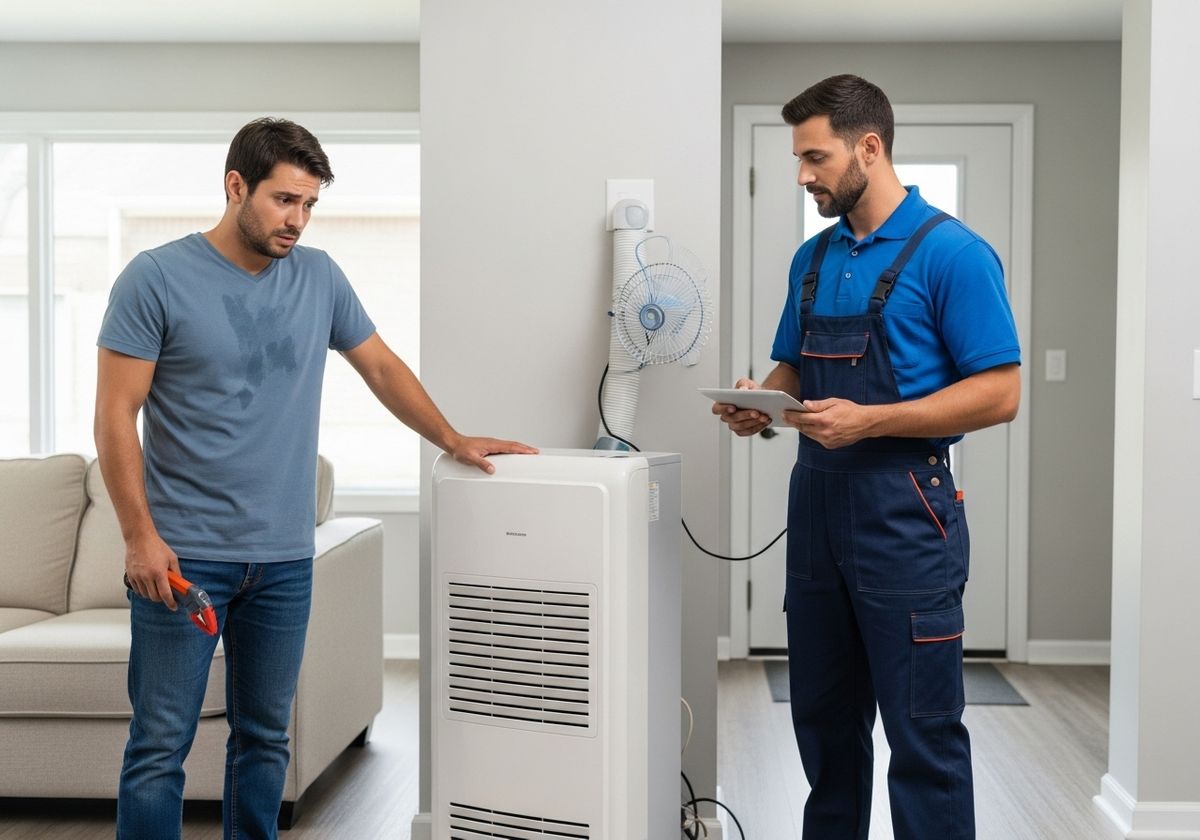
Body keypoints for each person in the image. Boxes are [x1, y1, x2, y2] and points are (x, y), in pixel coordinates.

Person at [94, 117, 537, 840]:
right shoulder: (156, 278)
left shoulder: (320, 276)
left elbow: (382, 368)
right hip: (182, 558)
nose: (297, 220)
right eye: (283, 200)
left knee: (265, 741)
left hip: (283, 557)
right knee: (159, 747)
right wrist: (139, 538)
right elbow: (115, 416)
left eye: (309, 205)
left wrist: (451, 437)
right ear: (235, 187)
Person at [713, 75, 1020, 840]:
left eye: (815, 157)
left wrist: (873, 421)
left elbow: (1001, 393)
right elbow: (792, 369)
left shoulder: (953, 254)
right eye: (798, 158)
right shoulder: (811, 260)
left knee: (923, 735)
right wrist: (763, 402)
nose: (803, 174)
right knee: (823, 723)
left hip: (906, 511)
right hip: (815, 509)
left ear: (869, 148)